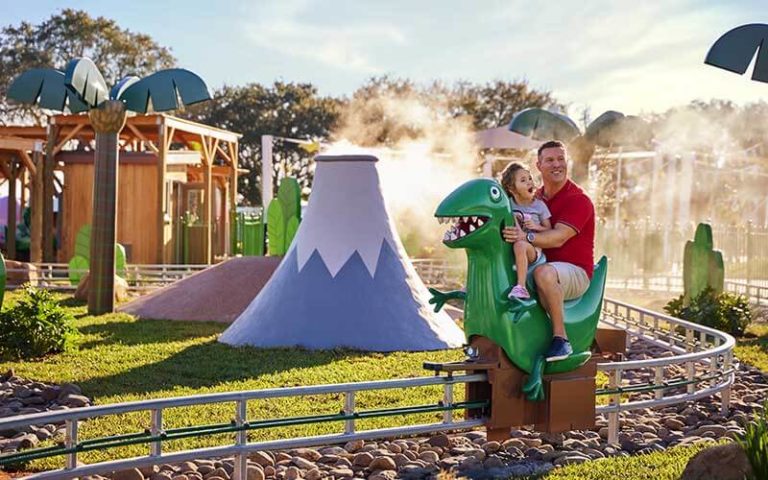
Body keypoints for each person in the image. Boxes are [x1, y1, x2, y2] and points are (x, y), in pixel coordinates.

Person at [502, 140, 595, 362]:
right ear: (539, 165)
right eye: (550, 160)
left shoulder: (578, 200)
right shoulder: (534, 198)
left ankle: (561, 340)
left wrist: (526, 237)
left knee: (542, 273)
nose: (557, 164)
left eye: (561, 159)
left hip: (574, 272)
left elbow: (558, 238)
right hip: (539, 262)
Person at [499, 162, 552, 300]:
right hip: (513, 246)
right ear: (511, 188)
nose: (529, 183)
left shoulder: (539, 206)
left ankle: (521, 288)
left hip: (533, 251)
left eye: (529, 179)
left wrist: (535, 226)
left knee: (520, 245)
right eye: (523, 180)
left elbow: (549, 229)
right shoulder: (508, 204)